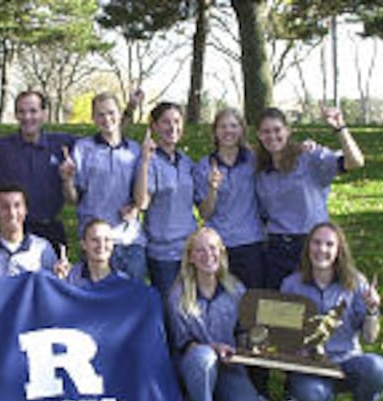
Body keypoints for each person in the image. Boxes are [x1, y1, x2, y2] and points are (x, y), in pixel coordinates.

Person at [281, 222, 383, 401]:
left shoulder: (356, 283)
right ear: (307, 247)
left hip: (348, 362)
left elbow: (370, 337)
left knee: (379, 370)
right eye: (316, 243)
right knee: (313, 397)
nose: (321, 250)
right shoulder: (291, 285)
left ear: (338, 250)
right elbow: (284, 337)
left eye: (329, 244)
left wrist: (372, 310)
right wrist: (296, 352)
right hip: (311, 366)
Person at [165, 228, 268, 401]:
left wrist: (251, 344)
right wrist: (213, 347)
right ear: (191, 257)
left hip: (230, 366)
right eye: (199, 250)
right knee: (203, 358)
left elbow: (243, 332)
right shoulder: (179, 295)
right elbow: (183, 344)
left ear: (221, 252)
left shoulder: (236, 290)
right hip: (194, 364)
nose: (208, 255)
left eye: (213, 248)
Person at [255, 104, 365, 290]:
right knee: (277, 310)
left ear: (288, 131)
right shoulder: (261, 172)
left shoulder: (310, 158)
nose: (272, 136)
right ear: (259, 135)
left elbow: (355, 161)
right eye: (265, 132)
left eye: (277, 130)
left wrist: (340, 128)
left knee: (312, 306)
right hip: (276, 250)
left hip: (312, 246)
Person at [59, 92, 150, 281]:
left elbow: (141, 197)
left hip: (129, 241)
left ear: (120, 114)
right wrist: (67, 180)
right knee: (97, 306)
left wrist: (134, 206)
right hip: (95, 244)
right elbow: (72, 199)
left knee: (130, 304)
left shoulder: (134, 151)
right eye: (100, 114)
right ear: (93, 118)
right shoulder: (83, 149)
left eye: (111, 113)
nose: (106, 119)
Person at [0, 91, 76, 251]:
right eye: (22, 111)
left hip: (49, 230)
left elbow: (104, 142)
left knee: (55, 275)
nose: (27, 117)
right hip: (12, 231)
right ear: (15, 115)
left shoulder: (62, 145)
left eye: (33, 111)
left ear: (44, 114)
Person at [194, 108, 265, 289]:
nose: (228, 131)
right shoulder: (204, 166)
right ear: (215, 132)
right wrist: (213, 189)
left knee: (251, 301)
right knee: (223, 298)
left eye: (234, 126)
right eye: (223, 126)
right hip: (219, 244)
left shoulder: (254, 159)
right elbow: (205, 214)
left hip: (251, 242)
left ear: (241, 130)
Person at [140, 102, 201, 296]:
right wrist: (144, 162)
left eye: (176, 121)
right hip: (163, 253)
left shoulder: (186, 162)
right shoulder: (150, 161)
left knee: (190, 305)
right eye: (166, 122)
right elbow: (142, 203)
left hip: (190, 250)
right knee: (170, 309)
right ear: (155, 126)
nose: (172, 127)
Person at [0, 184, 57, 278]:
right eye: (5, 207)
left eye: (17, 206)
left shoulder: (42, 249)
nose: (12, 213)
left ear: (26, 210)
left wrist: (62, 276)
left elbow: (51, 288)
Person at [54, 219, 129, 288]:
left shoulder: (123, 283)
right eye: (95, 240)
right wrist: (59, 282)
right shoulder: (71, 278)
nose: (101, 245)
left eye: (107, 240)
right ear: (83, 244)